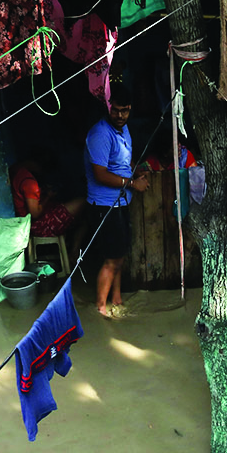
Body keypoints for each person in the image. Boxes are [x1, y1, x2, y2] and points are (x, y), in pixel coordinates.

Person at [83, 82, 150, 318]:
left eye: (125, 111)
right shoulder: (100, 134)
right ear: (108, 107)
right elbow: (100, 175)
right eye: (116, 110)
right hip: (105, 206)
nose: (120, 116)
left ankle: (117, 299)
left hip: (120, 203)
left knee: (119, 256)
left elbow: (123, 162)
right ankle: (101, 308)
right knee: (111, 259)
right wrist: (132, 184)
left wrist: (136, 171)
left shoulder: (124, 129)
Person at [11, 159, 84, 237]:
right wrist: (48, 196)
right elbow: (35, 215)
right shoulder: (30, 184)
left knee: (83, 217)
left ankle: (74, 244)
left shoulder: (20, 172)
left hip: (29, 219)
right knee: (82, 201)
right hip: (33, 226)